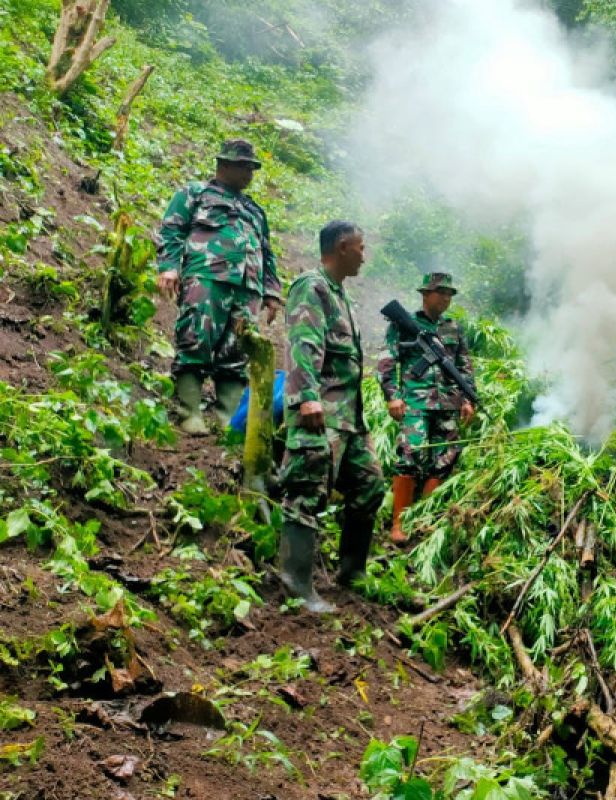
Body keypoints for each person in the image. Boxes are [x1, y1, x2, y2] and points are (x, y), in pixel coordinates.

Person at [277, 221, 386, 613]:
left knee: (370, 485)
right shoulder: (313, 286)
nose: (363, 254)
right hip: (319, 411)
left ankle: (351, 573)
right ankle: (296, 583)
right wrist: (307, 398)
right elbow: (303, 343)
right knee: (306, 489)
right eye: (360, 247)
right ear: (342, 247)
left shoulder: (341, 295)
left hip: (349, 419)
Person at [155, 139, 282, 435]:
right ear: (224, 164)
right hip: (207, 277)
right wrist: (170, 267)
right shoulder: (195, 193)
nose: (250, 173)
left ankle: (228, 417)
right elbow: (171, 229)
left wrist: (272, 291)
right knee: (196, 339)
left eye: (252, 168)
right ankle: (188, 411)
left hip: (247, 287)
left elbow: (266, 251)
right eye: (244, 167)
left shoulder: (254, 210)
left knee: (236, 351)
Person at [378, 273, 476, 544]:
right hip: (416, 403)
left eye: (449, 294)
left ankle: (421, 519)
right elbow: (387, 361)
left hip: (448, 404)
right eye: (440, 292)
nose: (446, 298)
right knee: (410, 456)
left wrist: (469, 399)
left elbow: (464, 367)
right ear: (425, 294)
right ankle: (398, 524)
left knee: (444, 460)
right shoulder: (404, 324)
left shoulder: (453, 328)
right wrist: (392, 396)